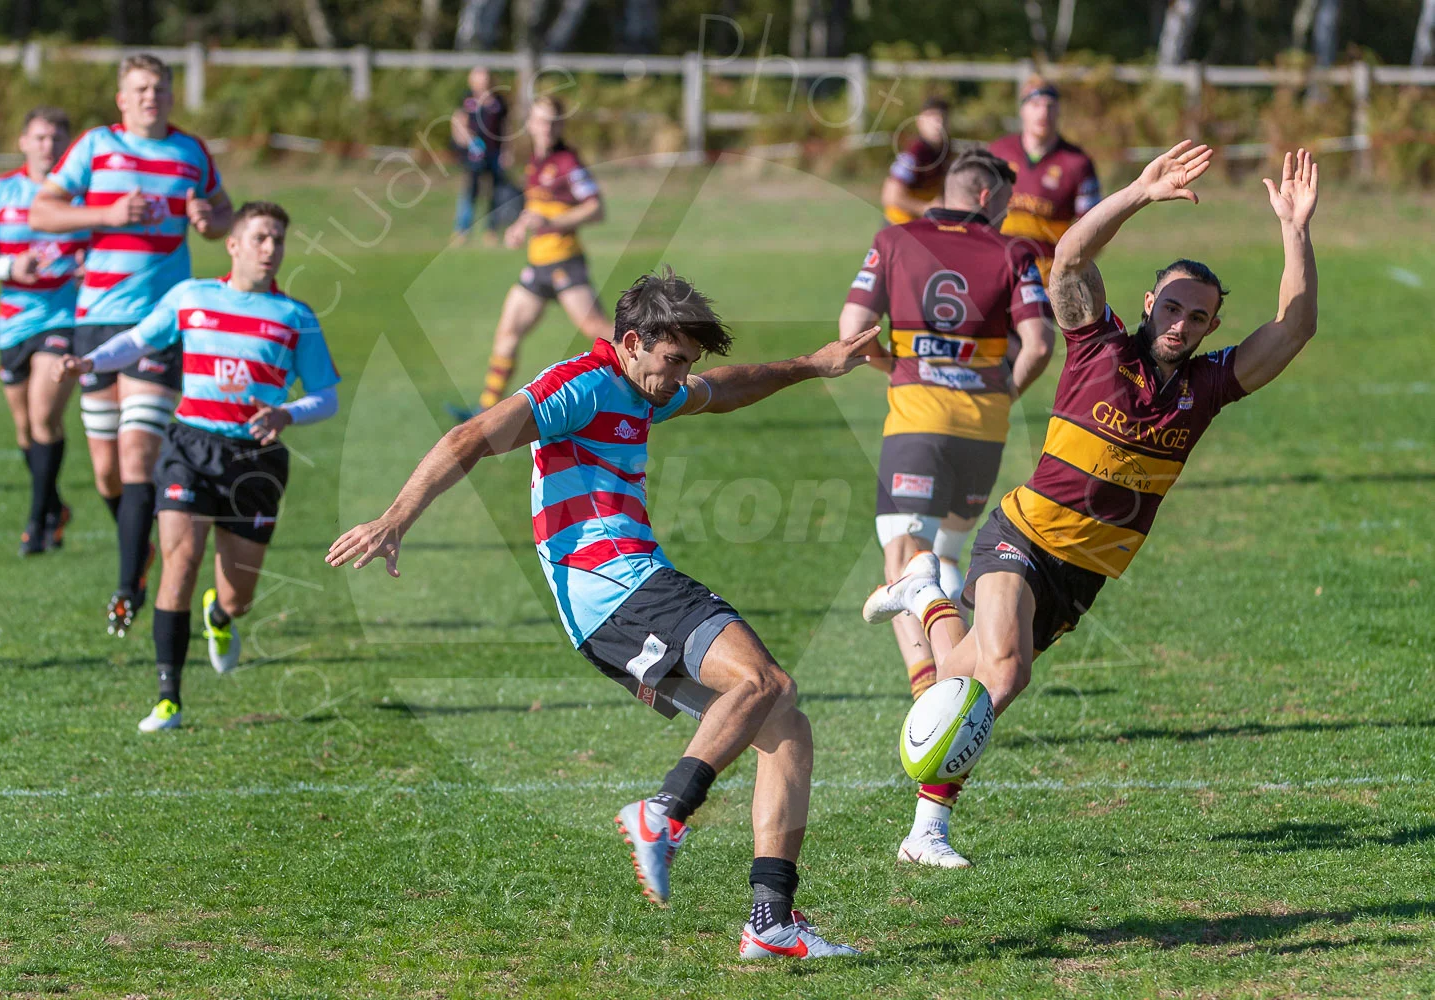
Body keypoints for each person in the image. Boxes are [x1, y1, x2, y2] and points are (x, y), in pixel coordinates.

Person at [331, 269, 878, 959]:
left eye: (687, 362)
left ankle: (771, 921)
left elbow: (726, 388)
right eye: (673, 360)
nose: (681, 377)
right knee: (765, 683)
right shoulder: (582, 385)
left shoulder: (647, 388)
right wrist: (395, 517)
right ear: (631, 342)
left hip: (607, 613)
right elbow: (472, 435)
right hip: (619, 584)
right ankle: (663, 813)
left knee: (783, 724)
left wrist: (812, 365)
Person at [861, 143, 1319, 865]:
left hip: (1083, 574)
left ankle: (925, 598)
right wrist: (1138, 192)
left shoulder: (1209, 388)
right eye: (1171, 307)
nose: (1180, 323)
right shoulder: (1097, 346)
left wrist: (1295, 229)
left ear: (1210, 328)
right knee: (1005, 673)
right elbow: (1070, 258)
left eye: (1197, 317)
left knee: (959, 678)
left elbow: (1294, 328)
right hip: (1021, 535)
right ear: (1149, 304)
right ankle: (928, 831)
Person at [840, 149, 1054, 868]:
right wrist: (1002, 394)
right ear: (988, 195)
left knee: (906, 559)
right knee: (949, 556)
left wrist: (896, 365)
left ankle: (929, 693)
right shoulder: (1014, 252)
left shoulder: (894, 238)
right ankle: (943, 696)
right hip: (983, 427)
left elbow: (852, 325)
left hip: (917, 420)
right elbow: (1039, 343)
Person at [58, 202, 340, 734]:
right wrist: (90, 362)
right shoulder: (191, 297)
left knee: (238, 597)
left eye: (278, 240)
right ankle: (168, 699)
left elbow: (326, 396)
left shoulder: (296, 317)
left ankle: (220, 615)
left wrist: (287, 413)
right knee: (180, 564)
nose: (270, 249)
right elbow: (139, 340)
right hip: (190, 447)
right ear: (233, 244)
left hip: (255, 461)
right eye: (260, 238)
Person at [30, 53, 234, 637]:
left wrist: (210, 221)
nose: (152, 97)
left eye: (160, 88)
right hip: (97, 320)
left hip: (161, 324)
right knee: (106, 473)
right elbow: (43, 212)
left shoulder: (191, 151)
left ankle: (126, 589)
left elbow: (223, 214)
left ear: (171, 95)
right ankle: (140, 545)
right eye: (141, 88)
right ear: (123, 98)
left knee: (138, 454)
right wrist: (109, 212)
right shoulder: (95, 147)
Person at [0, 107, 89, 556]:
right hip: (13, 322)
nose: (48, 146)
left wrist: (91, 267)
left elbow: (108, 248)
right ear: (23, 142)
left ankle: (36, 524)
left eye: (56, 138)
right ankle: (56, 507)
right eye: (40, 137)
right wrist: (6, 266)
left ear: (68, 145)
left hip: (64, 319)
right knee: (25, 429)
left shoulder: (85, 197)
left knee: (43, 415)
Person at [449, 95, 613, 421]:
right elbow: (536, 207)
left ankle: (655, 378)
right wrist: (519, 227)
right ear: (530, 124)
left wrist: (552, 222)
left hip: (565, 264)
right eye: (540, 120)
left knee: (599, 330)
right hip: (537, 267)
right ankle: (485, 411)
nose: (546, 128)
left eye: (552, 122)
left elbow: (596, 209)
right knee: (507, 332)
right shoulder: (535, 162)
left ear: (560, 126)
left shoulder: (568, 163)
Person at [987, 76, 1101, 280]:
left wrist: (1064, 276)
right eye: (1035, 105)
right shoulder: (997, 152)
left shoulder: (1078, 163)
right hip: (997, 273)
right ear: (1022, 109)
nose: (1043, 113)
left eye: (1050, 106)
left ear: (1059, 110)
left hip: (1046, 281)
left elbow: (1095, 231)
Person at [450, 66, 515, 246]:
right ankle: (462, 230)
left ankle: (491, 230)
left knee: (495, 192)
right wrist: (470, 142)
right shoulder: (466, 99)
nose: (482, 82)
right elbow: (458, 123)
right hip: (474, 155)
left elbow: (506, 128)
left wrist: (507, 151)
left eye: (485, 78)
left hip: (494, 153)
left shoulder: (499, 101)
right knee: (470, 191)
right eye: (478, 78)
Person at [881, 96, 951, 226]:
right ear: (920, 122)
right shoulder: (913, 155)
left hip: (920, 225)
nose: (939, 123)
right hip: (899, 224)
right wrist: (925, 208)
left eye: (943, 118)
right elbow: (890, 197)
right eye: (932, 118)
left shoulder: (945, 152)